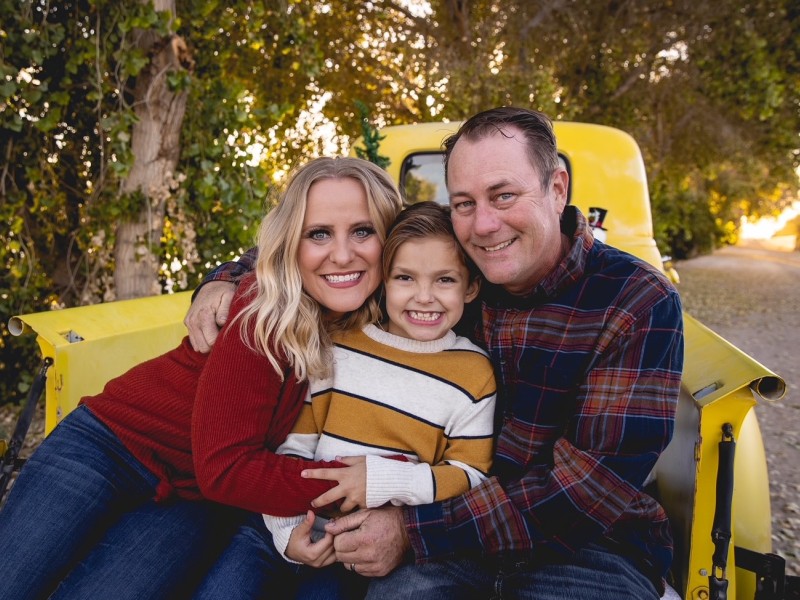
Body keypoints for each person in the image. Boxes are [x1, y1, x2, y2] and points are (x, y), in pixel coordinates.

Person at [188, 107, 684, 600]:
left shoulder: (634, 300)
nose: (484, 224)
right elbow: (330, 249)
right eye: (464, 203)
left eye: (504, 195)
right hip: (449, 533)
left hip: (585, 548)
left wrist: (411, 531)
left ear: (557, 188)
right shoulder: (455, 266)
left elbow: (588, 492)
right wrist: (229, 278)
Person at [0, 156, 403, 600]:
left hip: (198, 496)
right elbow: (228, 466)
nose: (342, 254)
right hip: (111, 444)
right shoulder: (263, 313)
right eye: (319, 233)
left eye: (363, 231)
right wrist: (361, 483)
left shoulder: (404, 319)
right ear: (291, 243)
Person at [194, 201, 496, 600]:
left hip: (364, 546)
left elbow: (470, 474)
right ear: (383, 280)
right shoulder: (341, 346)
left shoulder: (475, 372)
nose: (424, 297)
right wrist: (286, 533)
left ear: (470, 287)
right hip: (286, 524)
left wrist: (381, 479)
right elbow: (295, 446)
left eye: (445, 280)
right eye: (405, 278)